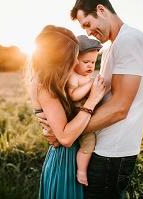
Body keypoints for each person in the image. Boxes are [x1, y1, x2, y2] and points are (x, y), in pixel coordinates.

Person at [39, 0, 143, 198]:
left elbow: (119, 108)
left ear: (101, 10)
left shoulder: (130, 40)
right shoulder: (111, 48)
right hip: (100, 148)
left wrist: (66, 134)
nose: (88, 32)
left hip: (112, 153)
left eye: (87, 24)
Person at [27, 25, 106, 199]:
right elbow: (65, 138)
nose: (74, 62)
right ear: (58, 60)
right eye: (72, 58)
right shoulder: (46, 87)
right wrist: (92, 101)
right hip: (65, 160)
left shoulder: (55, 82)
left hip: (69, 156)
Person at [67, 35, 103, 186]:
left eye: (93, 62)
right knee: (89, 144)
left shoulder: (86, 76)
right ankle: (81, 171)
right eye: (86, 62)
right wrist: (91, 84)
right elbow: (74, 95)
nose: (90, 66)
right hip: (78, 116)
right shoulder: (73, 77)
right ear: (74, 61)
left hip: (88, 115)